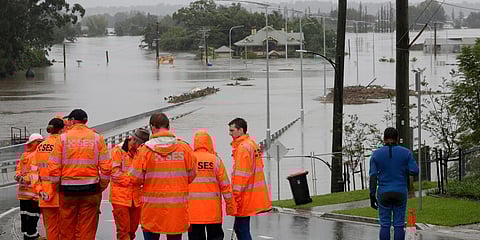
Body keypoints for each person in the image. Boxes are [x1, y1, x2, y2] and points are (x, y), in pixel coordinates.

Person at [129, 112, 197, 240]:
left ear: (152, 127)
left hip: (152, 210)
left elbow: (134, 178)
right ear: (168, 126)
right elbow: (192, 175)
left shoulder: (145, 150)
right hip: (176, 209)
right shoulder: (184, 148)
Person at [48, 109, 111, 240]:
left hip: (67, 190)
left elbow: (53, 167)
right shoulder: (97, 138)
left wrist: (56, 186)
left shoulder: (62, 139)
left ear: (71, 121)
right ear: (85, 121)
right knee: (87, 229)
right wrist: (102, 186)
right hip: (91, 189)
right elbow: (106, 168)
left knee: (66, 227)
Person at [369, 127, 419, 240]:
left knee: (385, 224)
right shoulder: (406, 153)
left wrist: (372, 195)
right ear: (397, 138)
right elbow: (414, 170)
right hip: (400, 191)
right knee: (399, 224)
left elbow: (373, 176)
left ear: (384, 138)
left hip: (383, 192)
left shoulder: (376, 155)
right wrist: (403, 169)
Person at [228, 118, 272, 240]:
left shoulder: (243, 148)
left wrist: (235, 196)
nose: (230, 133)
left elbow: (241, 175)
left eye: (232, 130)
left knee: (241, 229)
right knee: (241, 228)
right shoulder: (252, 144)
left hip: (244, 195)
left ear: (241, 130)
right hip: (252, 193)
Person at [188, 130, 236, 240]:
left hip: (193, 213)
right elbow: (225, 186)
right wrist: (230, 207)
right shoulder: (215, 160)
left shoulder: (189, 160)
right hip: (213, 213)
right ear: (209, 143)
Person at [110, 128, 150, 240]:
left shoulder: (141, 152)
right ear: (133, 140)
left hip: (136, 198)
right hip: (120, 198)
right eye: (139, 144)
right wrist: (130, 180)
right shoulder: (118, 151)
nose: (140, 147)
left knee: (132, 231)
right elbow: (114, 172)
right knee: (123, 231)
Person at [30, 118, 64, 240]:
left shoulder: (40, 147)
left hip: (45, 195)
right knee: (66, 228)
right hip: (62, 194)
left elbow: (33, 173)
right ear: (62, 129)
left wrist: (39, 190)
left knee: (50, 228)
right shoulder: (63, 145)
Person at [15, 133, 43, 240]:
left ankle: (27, 234)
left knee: (25, 214)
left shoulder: (25, 154)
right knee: (33, 214)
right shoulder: (38, 155)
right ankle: (32, 235)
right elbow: (35, 172)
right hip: (33, 191)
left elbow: (18, 170)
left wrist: (19, 177)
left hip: (23, 191)